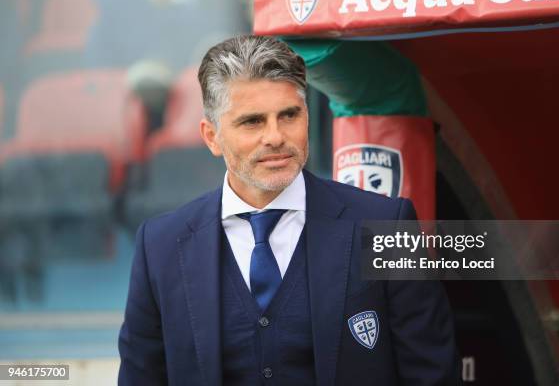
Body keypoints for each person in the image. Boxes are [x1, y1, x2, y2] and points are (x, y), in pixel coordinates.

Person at [118, 35, 461, 385]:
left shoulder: (387, 227)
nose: (276, 136)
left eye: (289, 115)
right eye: (252, 121)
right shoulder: (160, 246)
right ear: (212, 137)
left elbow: (432, 375)